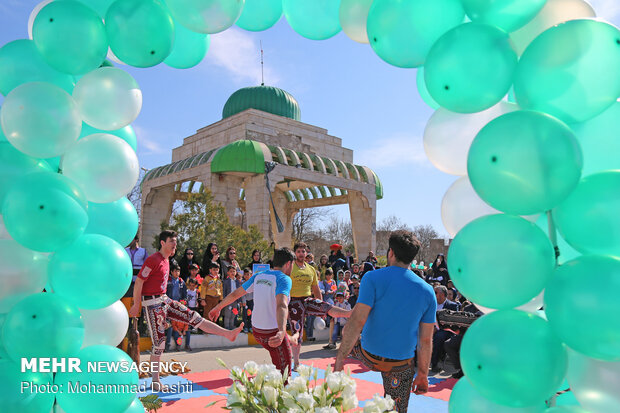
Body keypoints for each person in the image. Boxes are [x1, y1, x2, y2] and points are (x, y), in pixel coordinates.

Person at [335, 231, 436, 413]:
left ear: (391, 252)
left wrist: (340, 359)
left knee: (348, 330)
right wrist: (423, 374)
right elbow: (426, 340)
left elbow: (357, 321)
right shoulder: (428, 291)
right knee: (396, 407)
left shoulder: (372, 278)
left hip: (367, 355)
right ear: (412, 258)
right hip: (400, 363)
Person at [129, 230, 243, 390]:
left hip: (164, 300)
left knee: (194, 317)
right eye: (172, 242)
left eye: (176, 242)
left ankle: (227, 333)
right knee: (159, 343)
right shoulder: (153, 260)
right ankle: (155, 381)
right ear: (163, 243)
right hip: (151, 303)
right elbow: (140, 281)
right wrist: (136, 304)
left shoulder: (167, 260)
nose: (175, 245)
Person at [209, 248, 296, 374]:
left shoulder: (259, 276)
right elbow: (281, 305)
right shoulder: (284, 279)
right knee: (284, 374)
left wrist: (218, 308)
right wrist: (282, 331)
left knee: (277, 362)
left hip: (257, 331)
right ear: (289, 263)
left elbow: (235, 295)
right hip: (272, 333)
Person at [289, 242, 352, 370]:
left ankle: (349, 313)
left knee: (326, 306)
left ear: (306, 253)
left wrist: (320, 309)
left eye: (303, 251)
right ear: (295, 253)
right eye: (299, 251)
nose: (301, 253)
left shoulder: (311, 269)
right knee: (298, 332)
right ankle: (296, 362)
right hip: (294, 302)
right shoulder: (289, 267)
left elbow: (316, 289)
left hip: (307, 299)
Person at [430, 285, 461, 374]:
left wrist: (437, 329)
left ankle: (434, 364)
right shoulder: (432, 303)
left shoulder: (452, 306)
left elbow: (453, 322)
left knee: (439, 337)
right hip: (430, 327)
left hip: (445, 330)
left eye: (436, 292)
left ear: (442, 294)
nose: (434, 294)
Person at [222, 265, 242, 330]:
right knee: (227, 314)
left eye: (234, 271)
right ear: (228, 272)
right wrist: (224, 300)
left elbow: (239, 290)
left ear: (236, 272)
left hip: (235, 300)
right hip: (228, 300)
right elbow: (224, 291)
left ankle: (232, 325)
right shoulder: (226, 281)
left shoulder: (237, 281)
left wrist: (239, 300)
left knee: (234, 314)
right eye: (231, 271)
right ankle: (226, 326)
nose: (232, 273)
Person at [241, 268, 254, 333]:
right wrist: (243, 301)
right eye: (245, 274)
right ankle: (245, 327)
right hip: (245, 301)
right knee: (245, 315)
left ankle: (250, 326)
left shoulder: (253, 283)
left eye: (248, 274)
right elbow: (242, 293)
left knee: (251, 314)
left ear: (251, 275)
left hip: (251, 301)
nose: (246, 276)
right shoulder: (242, 283)